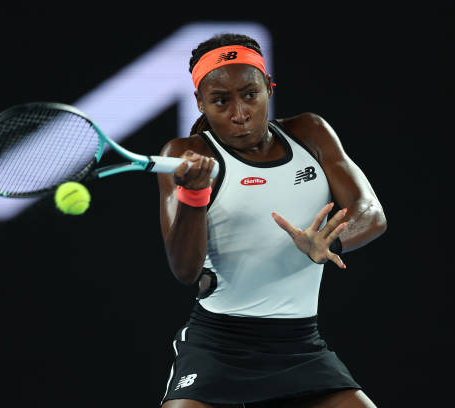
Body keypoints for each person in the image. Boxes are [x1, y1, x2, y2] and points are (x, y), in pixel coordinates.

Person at [157, 33, 387, 408]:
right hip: (217, 347)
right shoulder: (186, 153)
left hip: (300, 347)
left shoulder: (310, 133)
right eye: (220, 101)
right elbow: (185, 270)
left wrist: (328, 242)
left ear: (269, 87)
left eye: (250, 94)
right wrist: (194, 197)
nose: (240, 113)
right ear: (200, 103)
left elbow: (371, 213)